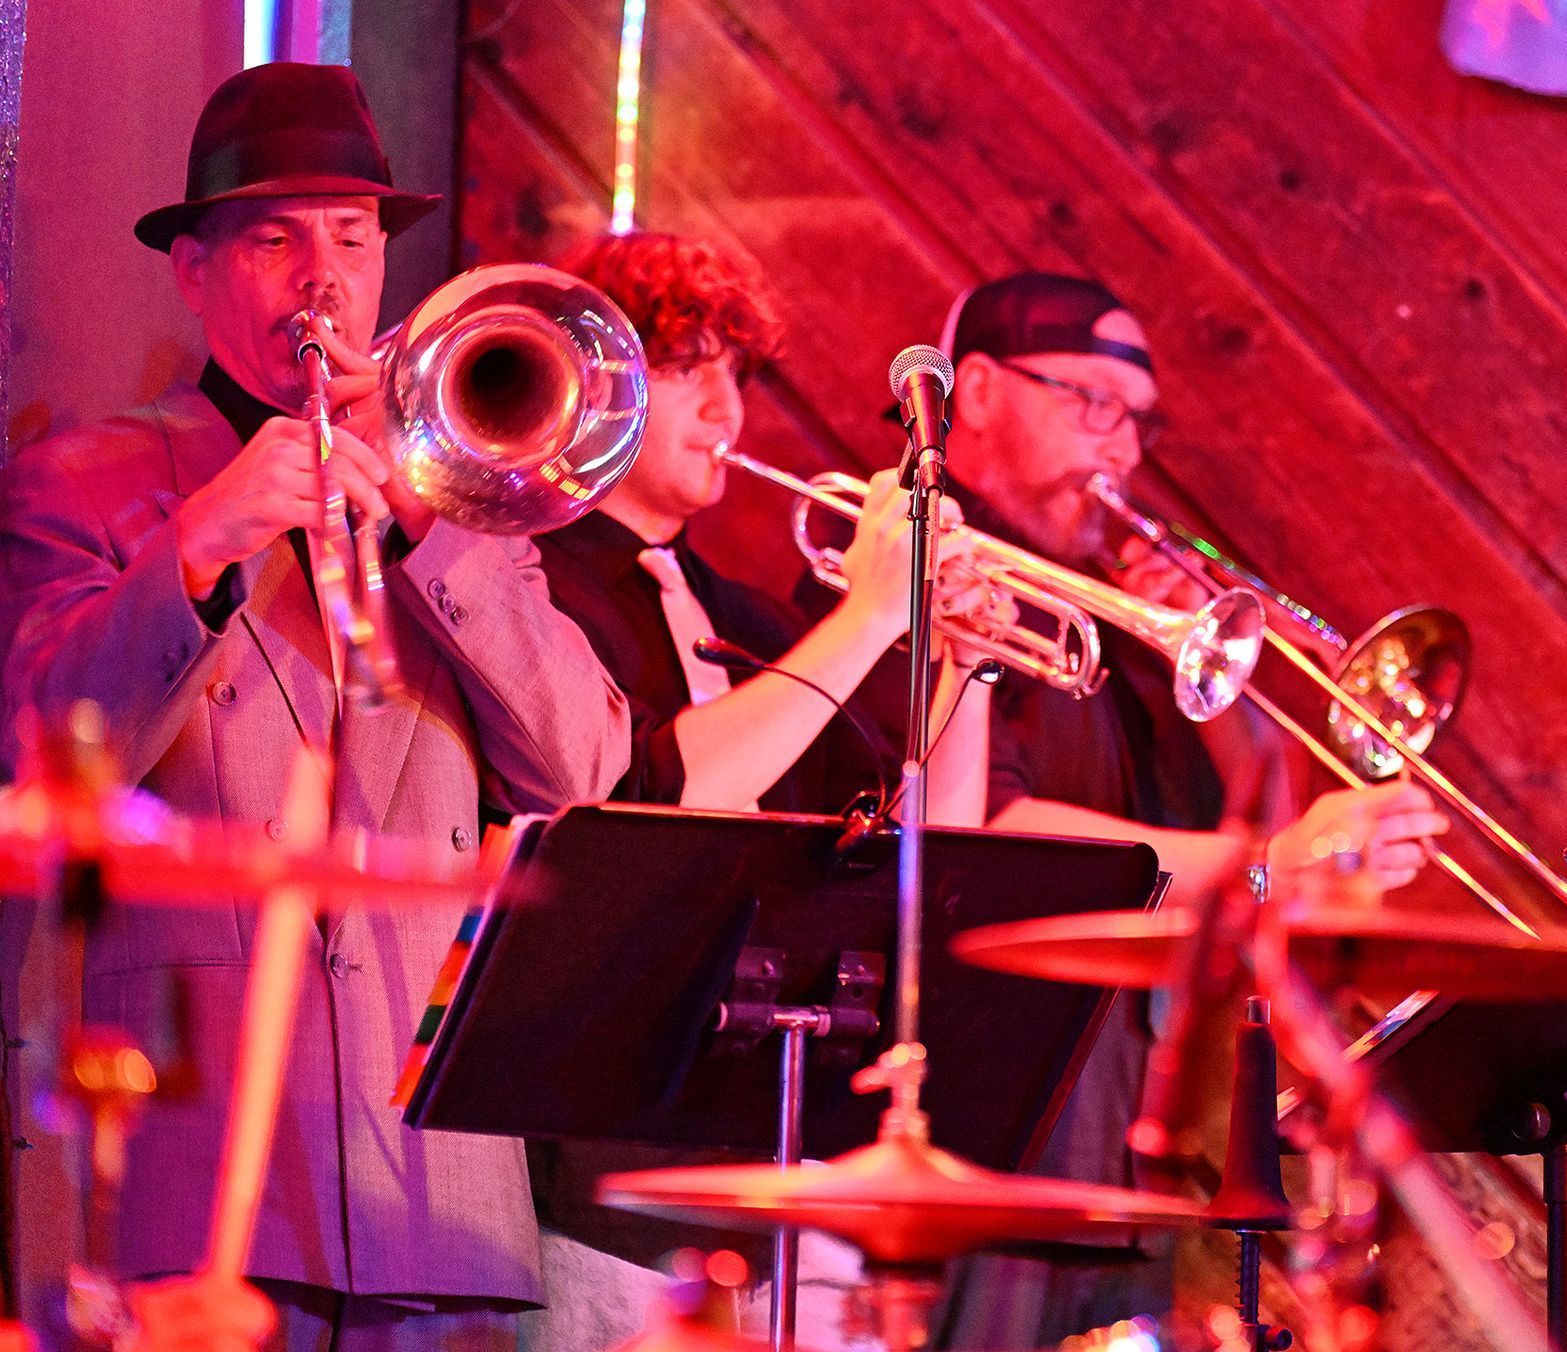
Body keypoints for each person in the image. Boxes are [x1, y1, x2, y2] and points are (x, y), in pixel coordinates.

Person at [0, 62, 630, 1349]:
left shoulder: (467, 503)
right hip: (183, 1177)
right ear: (192, 270)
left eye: (353, 237)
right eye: (276, 238)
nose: (323, 278)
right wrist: (196, 541)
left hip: (436, 1198)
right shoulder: (80, 479)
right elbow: (35, 756)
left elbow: (582, 770)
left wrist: (429, 531)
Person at [906, 272, 1447, 1346]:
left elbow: (1261, 816)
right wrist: (1265, 862)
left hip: (1135, 1091)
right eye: (1089, 403)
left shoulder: (1107, 603)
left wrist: (1211, 670)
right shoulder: (921, 571)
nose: (1120, 449)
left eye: (1138, 421)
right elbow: (989, 833)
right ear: (976, 389)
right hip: (1004, 1095)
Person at [520, 230, 994, 1350]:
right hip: (609, 1178)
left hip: (776, 1147)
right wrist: (873, 613)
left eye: (736, 371)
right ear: (597, 381)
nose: (724, 408)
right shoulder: (537, 586)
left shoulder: (751, 619)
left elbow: (924, 841)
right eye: (687, 369)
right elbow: (659, 793)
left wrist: (961, 664)